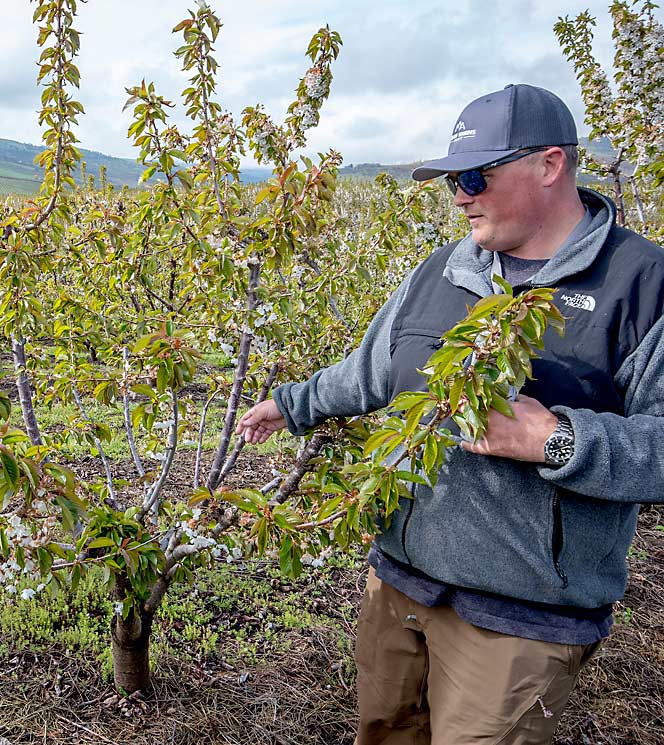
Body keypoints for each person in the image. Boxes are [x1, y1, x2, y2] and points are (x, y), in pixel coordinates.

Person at [236, 84, 664, 744]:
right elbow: (372, 371)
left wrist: (555, 439)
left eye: (475, 176)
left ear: (549, 165)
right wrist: (290, 403)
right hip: (400, 587)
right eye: (452, 181)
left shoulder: (637, 284)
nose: (460, 195)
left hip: (521, 620)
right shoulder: (442, 271)